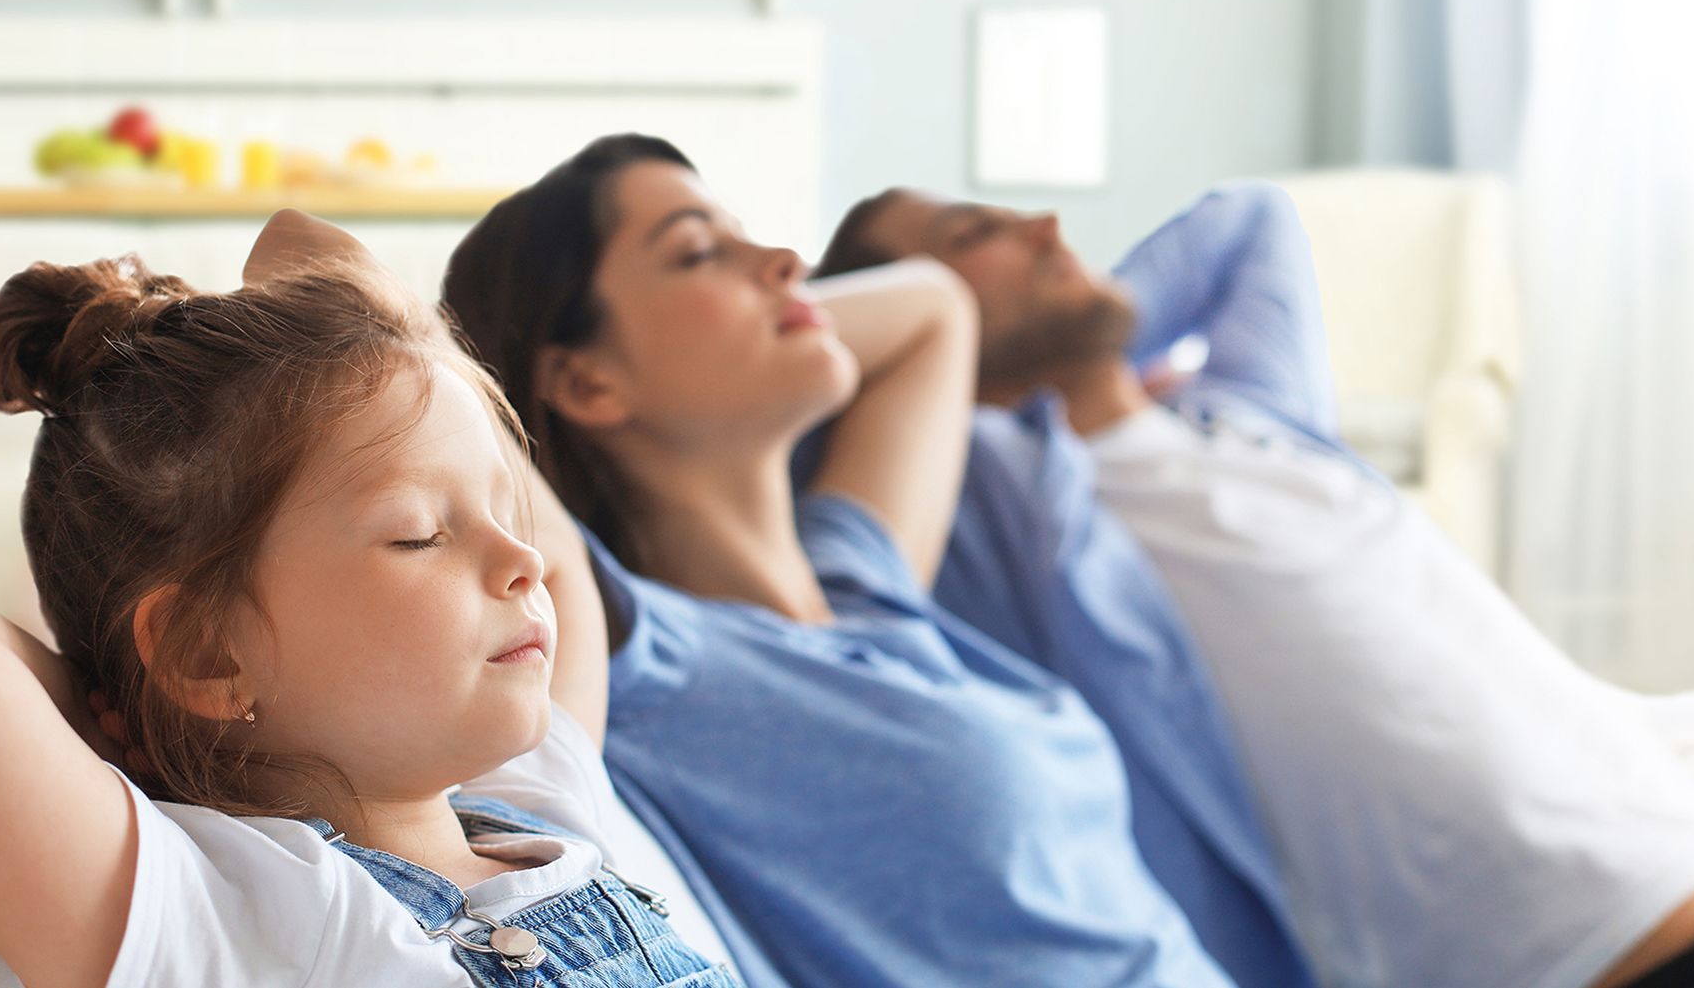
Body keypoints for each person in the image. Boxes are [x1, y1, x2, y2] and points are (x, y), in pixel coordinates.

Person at [812, 181, 1694, 988]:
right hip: (1625, 957)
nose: (1048, 224)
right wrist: (957, 347)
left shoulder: (1253, 420)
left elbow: (1251, 219)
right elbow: (798, 403)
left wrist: (1101, 343)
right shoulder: (1015, 505)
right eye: (976, 233)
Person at [0, 210, 739, 988]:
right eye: (420, 533)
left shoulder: (539, 801)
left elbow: (305, 240)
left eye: (505, 511)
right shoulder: (253, 918)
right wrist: (120, 710)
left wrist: (385, 337)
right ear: (207, 651)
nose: (521, 559)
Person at [444, 134, 1246, 988]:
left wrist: (759, 306)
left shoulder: (862, 582)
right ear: (586, 383)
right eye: (698, 251)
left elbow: (935, 305)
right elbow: (425, 380)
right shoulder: (644, 659)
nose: (785, 259)